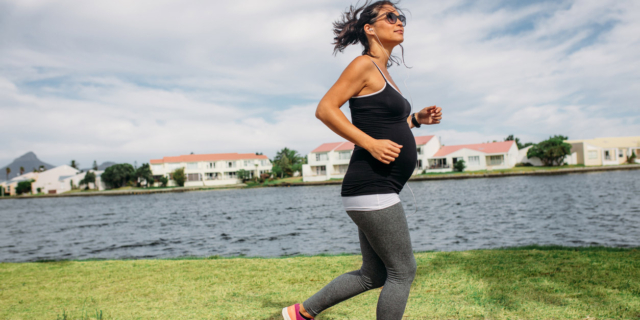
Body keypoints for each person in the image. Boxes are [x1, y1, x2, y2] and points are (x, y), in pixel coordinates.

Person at [282, 1, 442, 319]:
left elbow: (388, 127)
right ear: (370, 28)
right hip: (372, 186)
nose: (400, 22)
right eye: (391, 17)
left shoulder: (384, 72)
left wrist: (417, 120)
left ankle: (300, 313)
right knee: (403, 271)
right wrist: (369, 144)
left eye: (402, 17)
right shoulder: (363, 65)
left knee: (374, 274)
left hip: (373, 189)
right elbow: (326, 108)